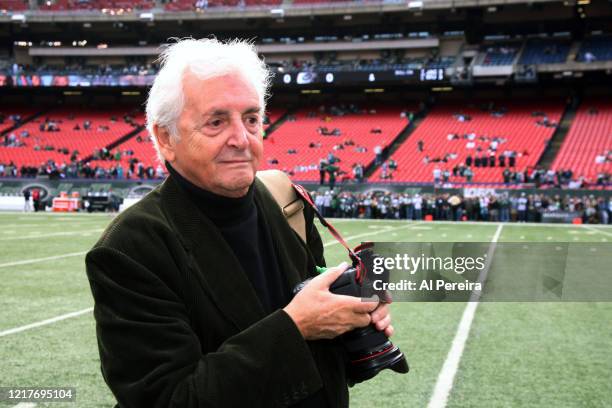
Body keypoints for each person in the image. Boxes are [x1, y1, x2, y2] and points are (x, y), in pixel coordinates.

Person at [85, 38, 392, 408]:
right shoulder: (131, 248)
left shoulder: (285, 199)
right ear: (166, 138)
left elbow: (316, 367)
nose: (242, 139)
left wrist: (349, 325)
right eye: (216, 122)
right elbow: (167, 399)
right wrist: (295, 327)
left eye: (251, 118)